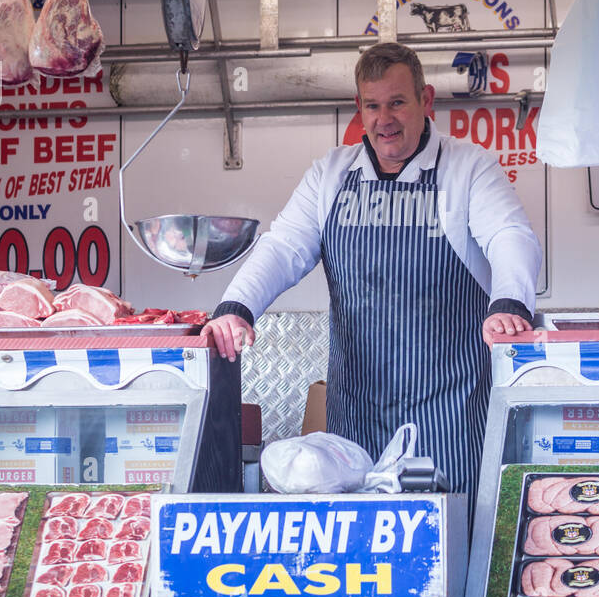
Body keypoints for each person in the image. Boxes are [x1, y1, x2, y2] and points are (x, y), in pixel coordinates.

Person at [205, 42, 542, 506]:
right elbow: (282, 247)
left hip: (449, 415)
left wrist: (509, 303)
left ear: (427, 101)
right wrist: (236, 307)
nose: (386, 119)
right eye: (373, 105)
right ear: (359, 110)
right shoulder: (330, 176)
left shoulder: (467, 168)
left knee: (452, 546)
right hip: (355, 420)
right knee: (367, 559)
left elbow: (510, 235)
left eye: (398, 102)